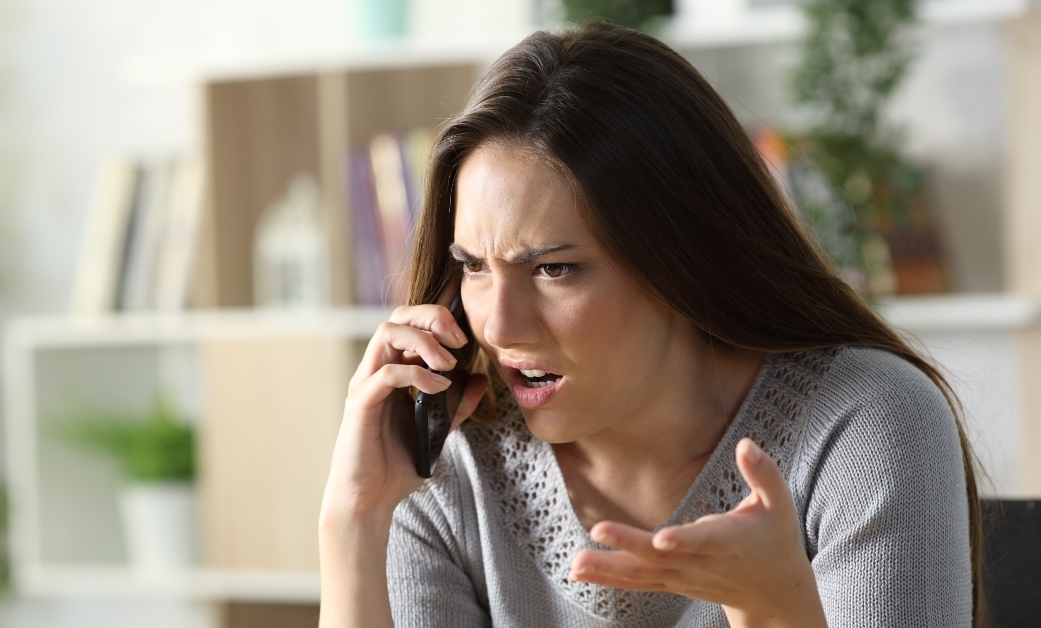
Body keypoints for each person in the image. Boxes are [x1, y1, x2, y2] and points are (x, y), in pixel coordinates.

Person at [319, 21, 982, 628]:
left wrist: (775, 610)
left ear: (680, 262)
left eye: (554, 270)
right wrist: (353, 524)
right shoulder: (444, 466)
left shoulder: (866, 426)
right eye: (474, 267)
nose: (499, 324)